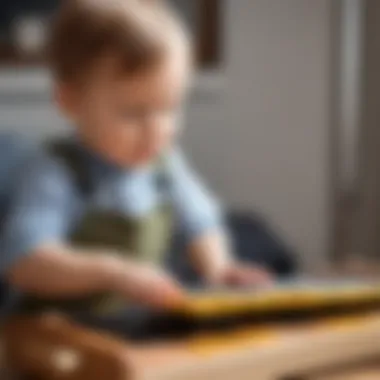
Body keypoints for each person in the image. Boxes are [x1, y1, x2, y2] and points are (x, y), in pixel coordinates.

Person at [0, 0, 271, 318]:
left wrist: (219, 268)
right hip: (50, 339)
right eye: (133, 113)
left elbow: (200, 223)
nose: (157, 130)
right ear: (70, 100)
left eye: (169, 108)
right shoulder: (54, 172)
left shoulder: (165, 165)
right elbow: (24, 262)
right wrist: (115, 272)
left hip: (123, 331)